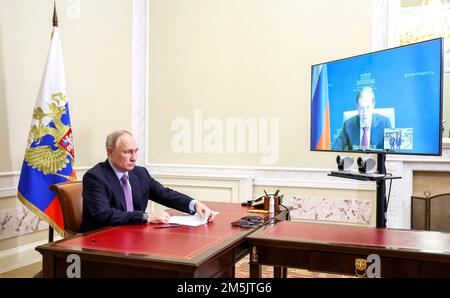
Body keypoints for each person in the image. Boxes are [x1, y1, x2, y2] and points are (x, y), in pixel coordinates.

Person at [80, 130, 217, 232]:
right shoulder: (95, 177)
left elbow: (164, 194)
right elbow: (104, 215)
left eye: (136, 151)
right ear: (110, 152)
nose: (134, 158)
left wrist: (194, 204)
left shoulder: (140, 173)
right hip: (102, 238)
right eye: (127, 152)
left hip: (134, 234)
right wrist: (146, 217)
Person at [333, 86, 391, 150]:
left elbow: (393, 152)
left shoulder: (384, 123)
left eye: (368, 107)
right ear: (357, 106)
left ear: (373, 104)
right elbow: (336, 148)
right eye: (361, 108)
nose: (364, 112)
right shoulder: (348, 124)